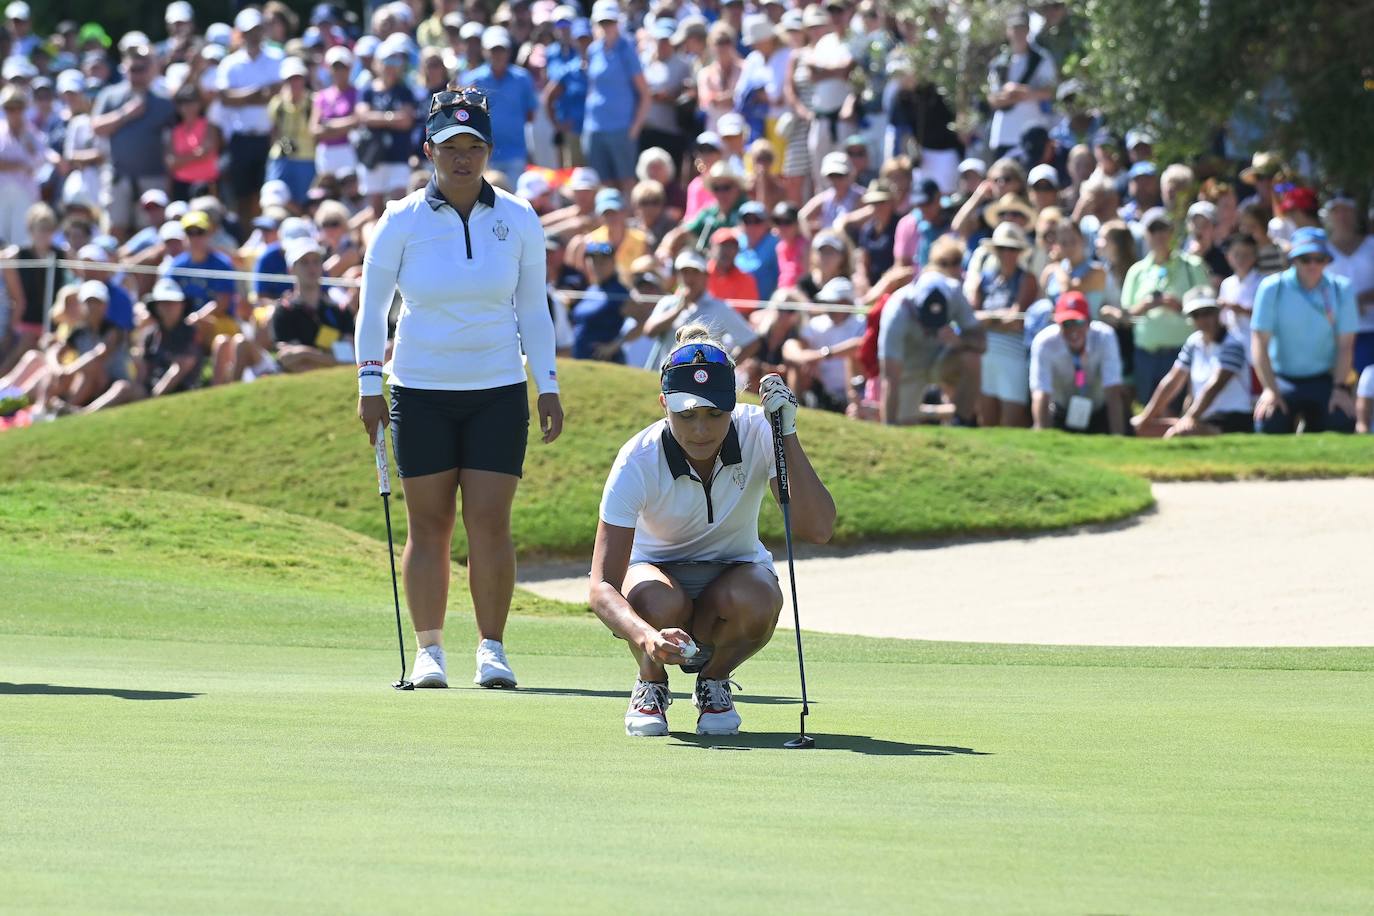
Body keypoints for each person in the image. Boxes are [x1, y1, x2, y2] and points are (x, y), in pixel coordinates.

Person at [355, 87, 564, 690]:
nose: (463, 158)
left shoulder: (518, 218)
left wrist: (547, 384)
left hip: (498, 388)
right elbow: (373, 310)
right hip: (418, 390)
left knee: (490, 522)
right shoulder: (400, 220)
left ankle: (491, 649)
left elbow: (534, 309)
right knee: (429, 524)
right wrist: (369, 383)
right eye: (451, 147)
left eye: (474, 147)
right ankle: (430, 651)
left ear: (489, 151)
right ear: (429, 151)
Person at [589, 326, 835, 737]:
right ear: (663, 403)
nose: (701, 430)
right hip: (656, 577)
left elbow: (818, 528)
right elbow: (601, 587)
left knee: (759, 598)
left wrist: (786, 434)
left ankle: (714, 681)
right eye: (686, 415)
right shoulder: (637, 459)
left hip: (735, 574)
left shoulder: (760, 430)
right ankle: (651, 681)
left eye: (715, 414)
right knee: (656, 600)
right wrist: (647, 638)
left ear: (734, 403)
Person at [1250, 227, 1358, 434]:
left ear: (1327, 260)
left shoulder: (1341, 289)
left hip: (1325, 378)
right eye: (1305, 259)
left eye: (1319, 259)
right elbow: (1259, 343)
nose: (1313, 265)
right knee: (1269, 421)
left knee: (1342, 420)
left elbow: (1346, 346)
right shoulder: (1272, 287)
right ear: (1293, 260)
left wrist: (1340, 389)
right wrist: (1270, 390)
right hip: (1282, 378)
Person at [877, 244, 987, 426]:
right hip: (908, 366)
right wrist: (889, 425)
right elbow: (890, 376)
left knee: (971, 358)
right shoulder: (896, 310)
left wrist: (959, 342)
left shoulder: (954, 292)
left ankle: (962, 422)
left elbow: (981, 343)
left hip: (940, 359)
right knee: (903, 424)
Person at [1132, 287, 1254, 437]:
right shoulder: (1194, 342)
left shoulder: (1232, 344)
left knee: (1176, 435)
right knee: (1138, 429)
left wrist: (1190, 417)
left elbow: (1215, 386)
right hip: (1202, 418)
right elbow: (1172, 381)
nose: (1202, 319)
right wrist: (1146, 418)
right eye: (1196, 315)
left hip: (1231, 420)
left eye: (1207, 313)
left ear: (1217, 313)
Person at [1120, 207, 1208, 407]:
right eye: (1153, 229)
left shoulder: (1192, 265)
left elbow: (1208, 307)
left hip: (1182, 354)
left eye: (1163, 229)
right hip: (1146, 356)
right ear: (1145, 234)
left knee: (1180, 411)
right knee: (1148, 411)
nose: (1159, 235)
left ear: (1172, 232)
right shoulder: (1137, 271)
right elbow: (1126, 314)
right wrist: (1144, 306)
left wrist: (1180, 306)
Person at [215, 8, 285, 226]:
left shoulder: (276, 58)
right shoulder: (230, 63)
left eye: (256, 30)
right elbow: (225, 98)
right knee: (243, 197)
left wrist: (242, 96)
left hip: (269, 138)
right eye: (249, 31)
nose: (253, 35)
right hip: (241, 139)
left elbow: (278, 92)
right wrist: (258, 93)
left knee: (267, 194)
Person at [641, 248, 760, 369]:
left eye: (695, 272)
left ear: (705, 276)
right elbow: (649, 331)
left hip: (703, 378)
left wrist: (724, 369)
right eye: (685, 272)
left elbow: (751, 342)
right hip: (668, 375)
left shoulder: (719, 308)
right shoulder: (667, 302)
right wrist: (678, 309)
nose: (689, 277)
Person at [1029, 291, 1125, 434]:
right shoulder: (1044, 342)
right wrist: (1041, 433)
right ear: (1058, 324)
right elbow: (1040, 392)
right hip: (1060, 411)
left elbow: (1113, 390)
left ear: (1089, 321)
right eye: (1066, 323)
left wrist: (1118, 437)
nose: (1072, 329)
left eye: (1078, 322)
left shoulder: (1105, 337)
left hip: (1099, 411)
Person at [582, 1, 651, 191]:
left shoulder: (627, 49)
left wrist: (635, 128)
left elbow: (645, 94)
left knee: (626, 182)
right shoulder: (593, 50)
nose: (606, 27)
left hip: (621, 128)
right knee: (602, 183)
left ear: (617, 22)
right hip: (594, 128)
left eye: (610, 22)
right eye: (602, 22)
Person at [464, 27, 539, 178]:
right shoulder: (472, 80)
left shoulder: (522, 78)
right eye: (493, 50)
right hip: (482, 154)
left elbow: (530, 114)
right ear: (484, 51)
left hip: (515, 153)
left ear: (509, 52)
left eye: (501, 50)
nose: (497, 55)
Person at [271, 238, 355, 373]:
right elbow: (287, 358)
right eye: (304, 262)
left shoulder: (340, 310)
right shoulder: (283, 311)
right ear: (291, 269)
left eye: (316, 261)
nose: (312, 268)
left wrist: (305, 354)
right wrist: (330, 359)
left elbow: (348, 359)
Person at [986, 11, 1056, 160]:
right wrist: (1017, 94)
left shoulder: (1041, 59)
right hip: (1004, 134)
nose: (1018, 33)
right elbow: (994, 100)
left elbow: (1049, 92)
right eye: (1014, 28)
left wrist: (1017, 90)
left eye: (1022, 28)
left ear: (1028, 30)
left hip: (1033, 133)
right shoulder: (999, 63)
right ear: (1008, 31)